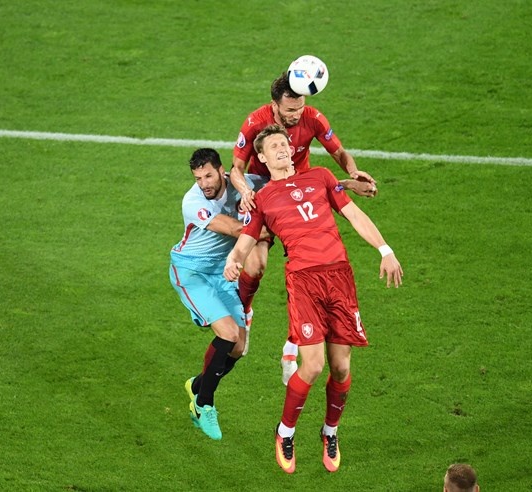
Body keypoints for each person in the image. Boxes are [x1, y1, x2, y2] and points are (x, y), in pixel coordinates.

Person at [223, 125, 403, 473]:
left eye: (284, 143)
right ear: (262, 157)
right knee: (314, 365)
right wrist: (233, 261)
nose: (281, 148)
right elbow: (247, 240)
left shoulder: (320, 176)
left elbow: (353, 214)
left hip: (339, 277)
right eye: (273, 146)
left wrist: (385, 250)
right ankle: (285, 432)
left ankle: (329, 432)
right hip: (304, 282)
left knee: (341, 367)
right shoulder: (263, 198)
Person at [230, 71, 379, 385]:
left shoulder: (313, 118)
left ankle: (292, 347)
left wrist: (353, 174)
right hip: (263, 191)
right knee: (255, 265)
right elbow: (237, 168)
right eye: (289, 110)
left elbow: (337, 153)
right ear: (274, 106)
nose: (296, 115)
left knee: (306, 269)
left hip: (299, 190)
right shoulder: (255, 122)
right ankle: (244, 313)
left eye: (299, 108)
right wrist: (246, 192)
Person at [169, 148, 267, 441]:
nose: (204, 184)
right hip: (191, 272)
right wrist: (275, 229)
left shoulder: (246, 184)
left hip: (222, 272)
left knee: (238, 348)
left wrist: (344, 185)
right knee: (228, 334)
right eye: (198, 178)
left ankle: (197, 386)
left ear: (222, 171)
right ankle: (204, 405)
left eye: (208, 176)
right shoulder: (193, 202)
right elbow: (236, 229)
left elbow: (293, 187)